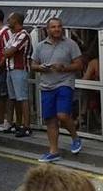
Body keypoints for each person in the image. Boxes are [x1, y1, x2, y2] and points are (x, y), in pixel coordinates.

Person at [30, 18, 83, 162]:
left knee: (62, 115)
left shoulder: (70, 44)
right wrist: (41, 67)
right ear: (47, 29)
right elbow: (33, 65)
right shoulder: (40, 46)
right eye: (53, 27)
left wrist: (64, 67)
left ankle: (75, 137)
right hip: (47, 85)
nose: (57, 29)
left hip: (64, 83)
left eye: (59, 26)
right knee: (50, 119)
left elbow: (79, 64)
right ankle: (53, 151)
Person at [4, 13, 32, 138]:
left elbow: (9, 51)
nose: (8, 21)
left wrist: (6, 52)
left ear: (15, 21)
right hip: (10, 69)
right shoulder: (13, 36)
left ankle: (27, 126)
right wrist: (6, 52)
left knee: (22, 98)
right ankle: (18, 123)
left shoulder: (23, 35)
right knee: (13, 98)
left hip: (20, 69)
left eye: (9, 19)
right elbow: (6, 51)